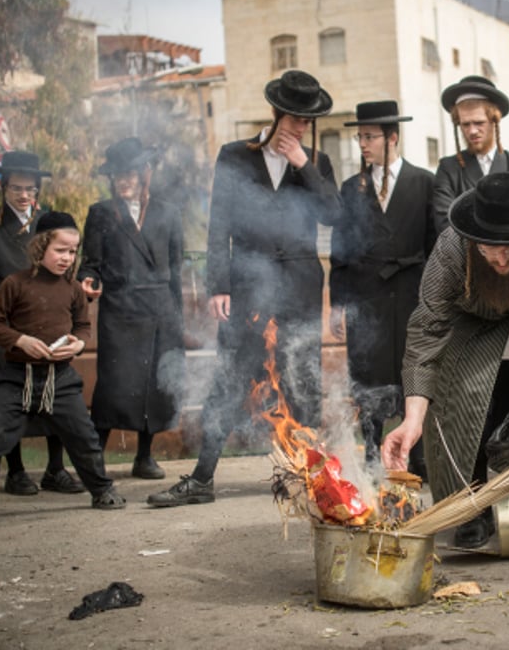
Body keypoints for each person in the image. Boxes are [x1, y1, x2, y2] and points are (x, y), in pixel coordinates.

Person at [148, 70, 341, 508]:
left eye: (307, 121)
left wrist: (303, 166)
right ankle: (201, 479)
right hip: (248, 287)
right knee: (230, 380)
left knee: (302, 382)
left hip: (299, 290)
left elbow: (336, 215)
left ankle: (311, 478)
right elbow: (219, 224)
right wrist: (219, 285)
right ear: (275, 113)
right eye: (294, 118)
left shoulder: (317, 162)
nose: (300, 128)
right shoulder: (235, 155)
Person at [382, 173, 509, 548]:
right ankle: (470, 508)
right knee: (466, 408)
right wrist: (413, 418)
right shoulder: (452, 249)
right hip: (470, 331)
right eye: (491, 248)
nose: (502, 259)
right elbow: (427, 330)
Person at [0, 212, 126, 529]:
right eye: (60, 250)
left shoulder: (72, 290)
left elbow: (83, 327)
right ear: (40, 247)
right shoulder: (14, 284)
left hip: (61, 381)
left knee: (84, 438)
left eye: (72, 251)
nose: (67, 258)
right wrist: (21, 340)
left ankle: (102, 489)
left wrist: (79, 345)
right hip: (16, 378)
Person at [0, 151, 84, 496]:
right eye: (16, 187)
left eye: (31, 189)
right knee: (10, 396)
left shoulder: (50, 225)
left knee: (55, 392)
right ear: (3, 186)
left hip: (50, 324)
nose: (24, 196)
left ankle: (55, 469)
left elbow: (69, 271)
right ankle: (15, 471)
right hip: (7, 331)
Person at [329, 100, 436, 465]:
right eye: (359, 136)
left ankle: (417, 455)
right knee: (367, 374)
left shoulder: (424, 182)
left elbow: (435, 246)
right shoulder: (351, 188)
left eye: (369, 136)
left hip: (412, 295)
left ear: (392, 137)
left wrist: (436, 302)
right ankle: (373, 453)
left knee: (414, 371)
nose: (362, 144)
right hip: (365, 296)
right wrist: (338, 306)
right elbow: (339, 251)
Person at [78, 137, 186, 480]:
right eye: (117, 176)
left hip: (161, 312)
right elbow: (90, 262)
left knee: (154, 387)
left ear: (145, 174)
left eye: (130, 174)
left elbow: (176, 269)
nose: (123, 181)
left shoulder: (169, 213)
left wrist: (178, 319)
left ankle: (144, 457)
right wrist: (88, 278)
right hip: (120, 311)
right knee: (114, 385)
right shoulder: (100, 213)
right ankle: (94, 462)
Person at [432, 75, 509, 233]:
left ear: (494, 120)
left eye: (479, 123)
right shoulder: (448, 169)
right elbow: (444, 221)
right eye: (465, 124)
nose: (472, 131)